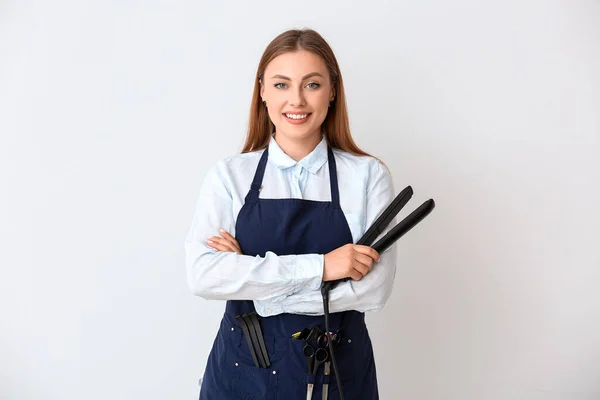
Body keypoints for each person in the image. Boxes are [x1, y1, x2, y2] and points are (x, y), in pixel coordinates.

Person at [185, 28, 397, 400]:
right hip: (240, 376)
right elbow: (203, 276)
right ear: (262, 91)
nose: (296, 100)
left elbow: (372, 291)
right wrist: (324, 268)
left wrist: (256, 286)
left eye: (311, 84)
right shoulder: (230, 176)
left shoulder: (367, 176)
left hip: (339, 377)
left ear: (332, 91)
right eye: (281, 84)